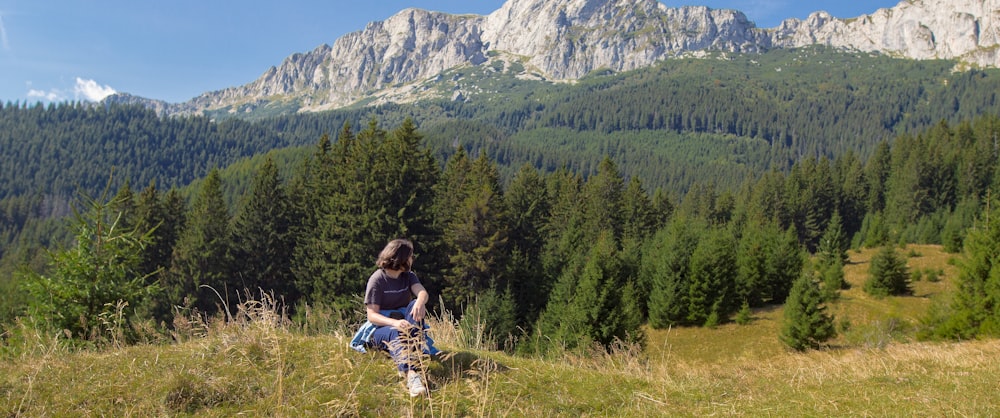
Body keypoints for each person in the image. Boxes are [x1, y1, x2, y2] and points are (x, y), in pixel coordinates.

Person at [349, 238, 438, 397]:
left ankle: (408, 361)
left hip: (404, 324)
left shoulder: (408, 276)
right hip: (380, 329)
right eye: (410, 256)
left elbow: (422, 292)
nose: (412, 259)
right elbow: (372, 316)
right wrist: (395, 323)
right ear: (401, 258)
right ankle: (412, 375)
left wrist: (420, 302)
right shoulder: (378, 280)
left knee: (414, 305)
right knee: (395, 332)